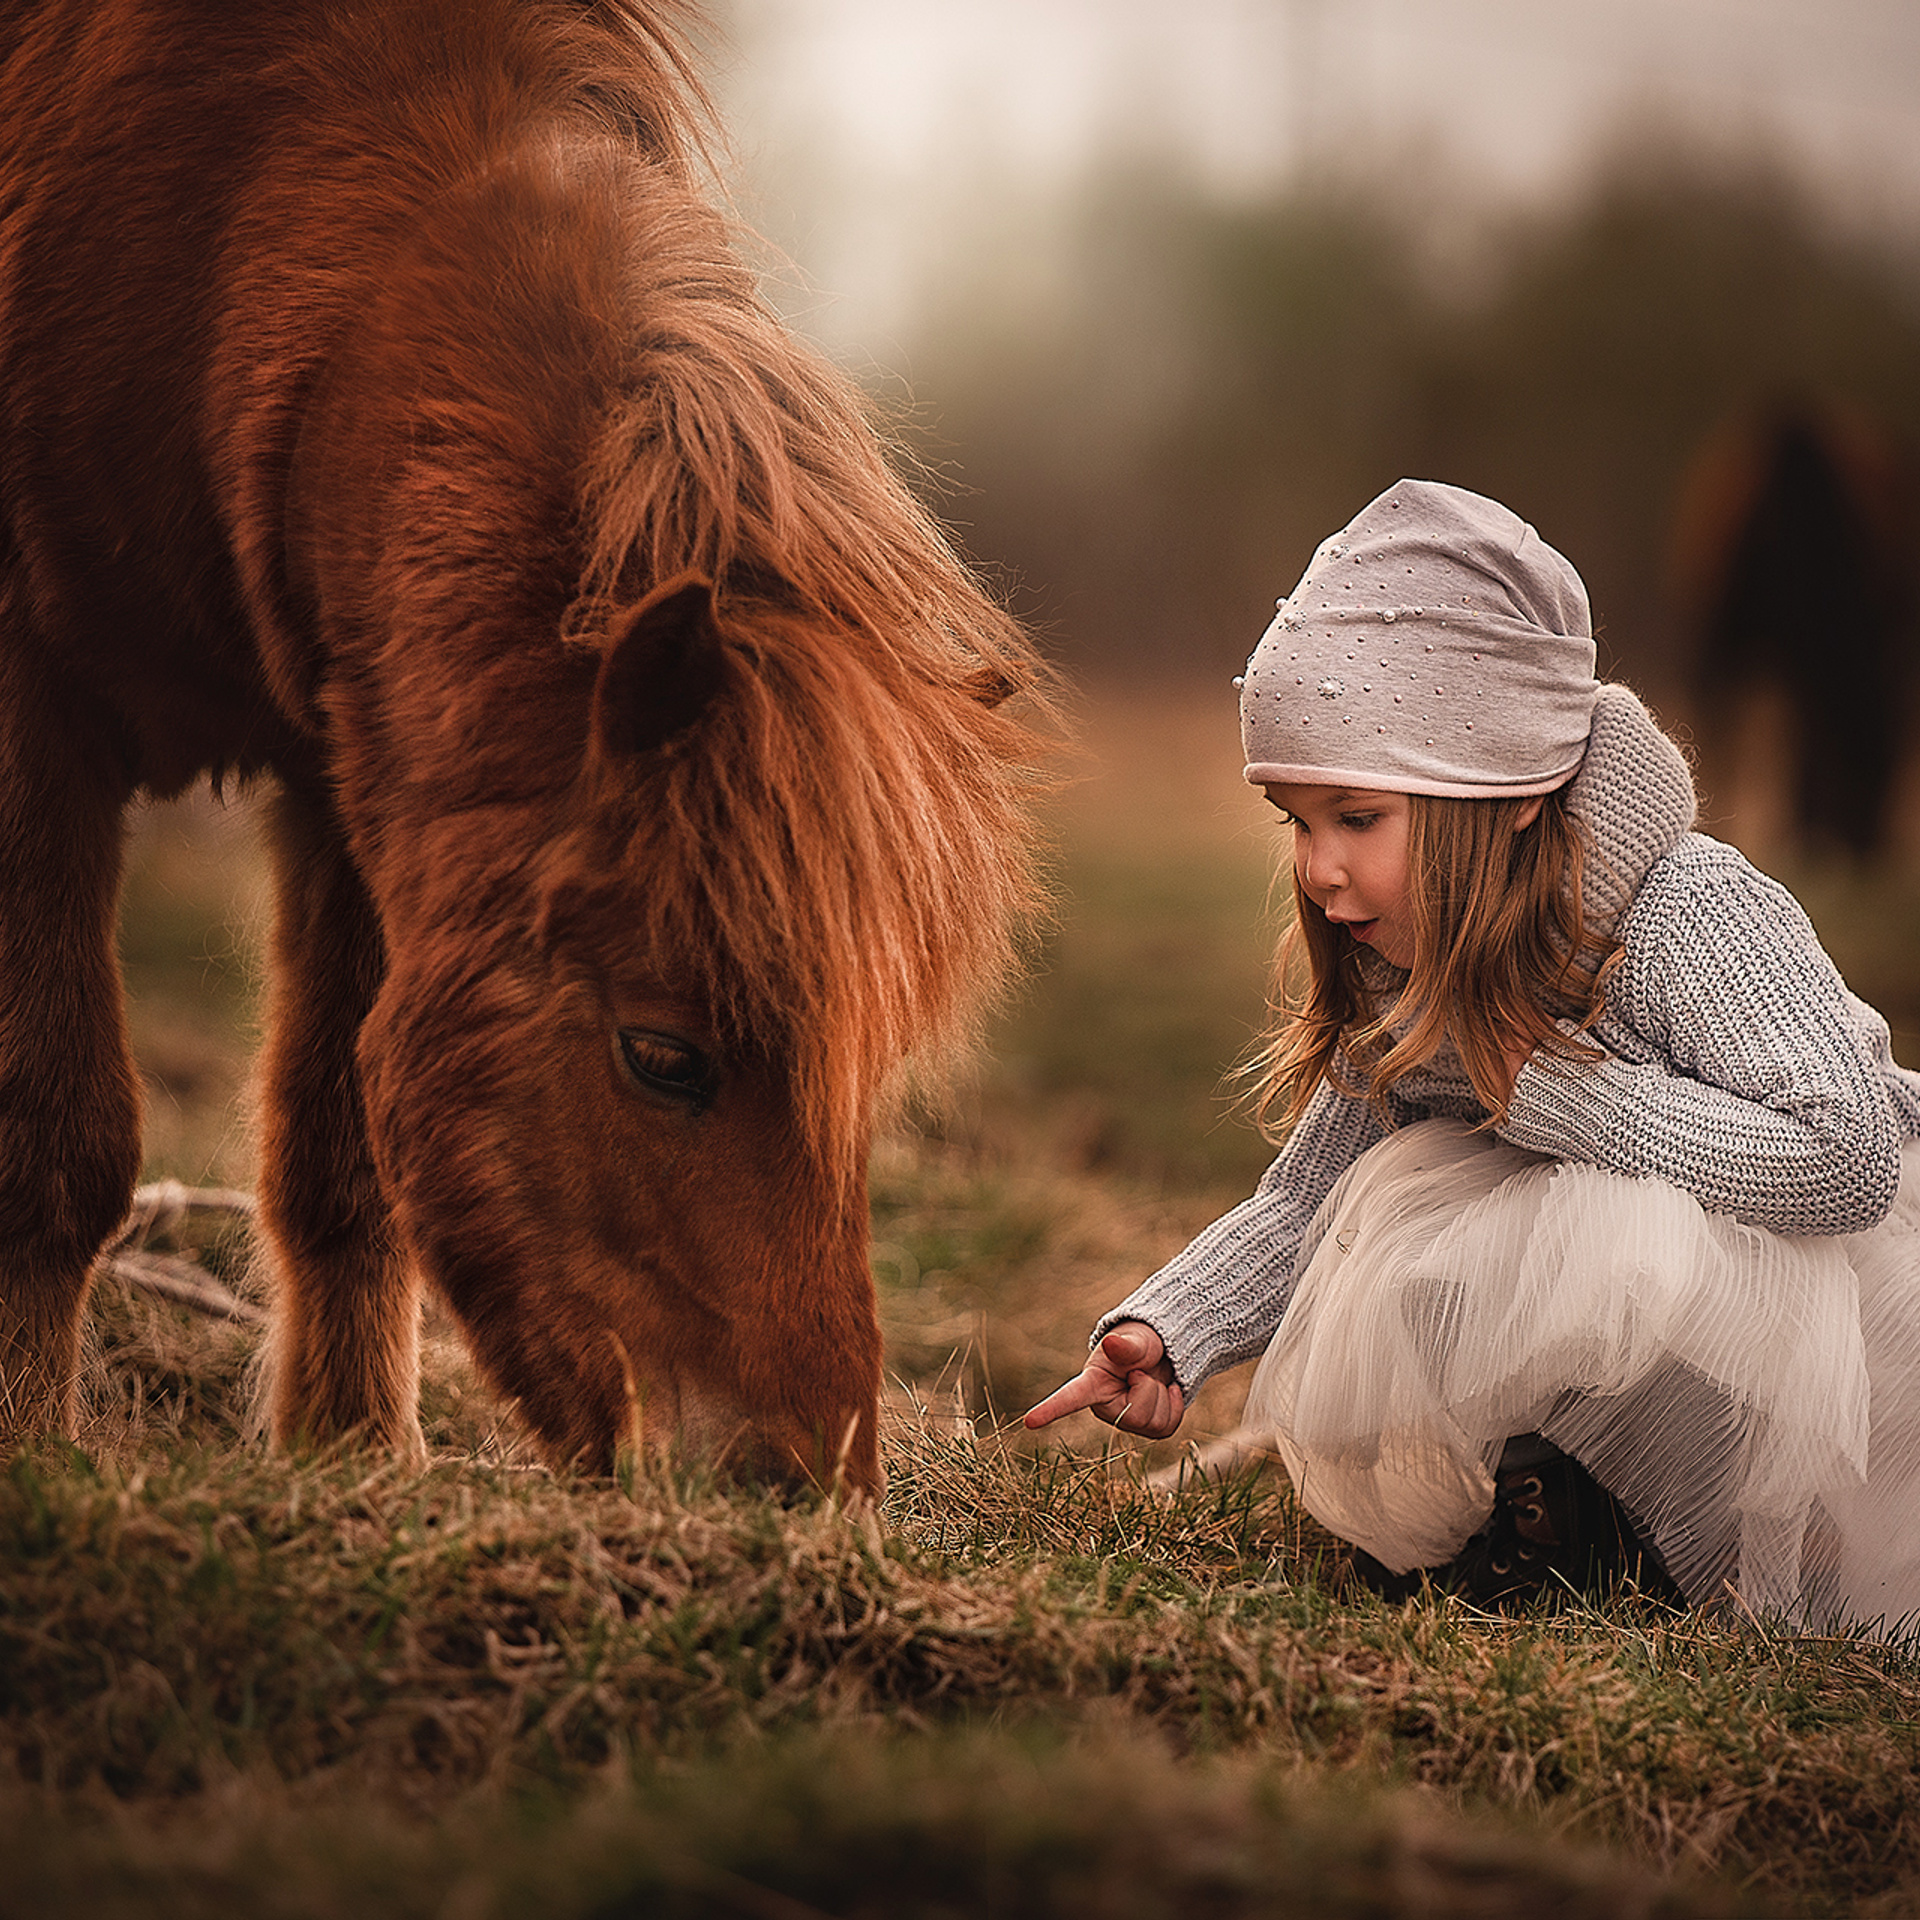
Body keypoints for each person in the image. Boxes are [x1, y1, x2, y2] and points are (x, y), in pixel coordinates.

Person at [1026, 478, 1920, 1636]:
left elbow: (1845, 1162)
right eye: (1297, 823)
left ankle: (1679, 1524)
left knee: (1597, 1237)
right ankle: (1553, 1513)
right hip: (1661, 1347)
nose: (1317, 869)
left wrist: (1556, 1094)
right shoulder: (1413, 975)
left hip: (1849, 1329)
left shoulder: (1691, 914)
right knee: (1403, 1206)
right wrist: (1171, 1330)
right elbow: (1308, 1202)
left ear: (1506, 795)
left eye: (1356, 818)